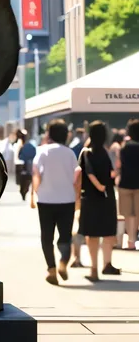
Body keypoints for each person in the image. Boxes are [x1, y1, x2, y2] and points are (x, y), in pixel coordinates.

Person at [31, 118, 80, 285]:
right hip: (67, 199)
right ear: (66, 135)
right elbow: (76, 176)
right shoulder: (70, 153)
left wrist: (35, 194)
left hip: (46, 200)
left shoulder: (43, 152)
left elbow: (36, 174)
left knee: (47, 236)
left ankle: (51, 269)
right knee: (65, 235)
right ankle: (63, 263)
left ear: (49, 134)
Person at [78, 120, 121, 282]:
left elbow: (80, 175)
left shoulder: (86, 153)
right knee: (108, 232)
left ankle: (94, 268)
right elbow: (113, 173)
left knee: (92, 234)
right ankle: (107, 263)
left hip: (89, 198)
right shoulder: (108, 152)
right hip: (107, 198)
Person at [117, 118, 139, 251]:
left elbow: (119, 164)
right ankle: (134, 239)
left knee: (128, 214)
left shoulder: (124, 147)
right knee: (137, 213)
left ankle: (130, 240)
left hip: (125, 183)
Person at [16, 130, 36, 201]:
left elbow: (19, 156)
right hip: (27, 168)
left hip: (24, 168)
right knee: (26, 182)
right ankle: (24, 194)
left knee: (24, 183)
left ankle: (23, 194)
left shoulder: (21, 146)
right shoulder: (30, 146)